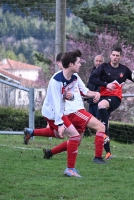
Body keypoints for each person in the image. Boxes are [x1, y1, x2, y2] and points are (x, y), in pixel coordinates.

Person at [23, 49, 101, 177]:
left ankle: (31, 132)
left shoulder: (74, 78)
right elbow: (56, 103)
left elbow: (77, 93)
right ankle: (70, 169)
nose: (80, 64)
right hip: (52, 113)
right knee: (75, 137)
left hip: (59, 112)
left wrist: (72, 96)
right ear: (71, 64)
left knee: (61, 135)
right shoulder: (56, 81)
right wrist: (60, 124)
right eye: (78, 62)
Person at [88, 46, 134, 160]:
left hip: (115, 98)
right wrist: (106, 84)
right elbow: (91, 79)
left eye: (117, 55)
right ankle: (108, 153)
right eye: (113, 55)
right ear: (110, 55)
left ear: (120, 57)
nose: (115, 57)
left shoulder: (124, 70)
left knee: (101, 106)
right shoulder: (103, 67)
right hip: (103, 97)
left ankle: (102, 152)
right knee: (101, 126)